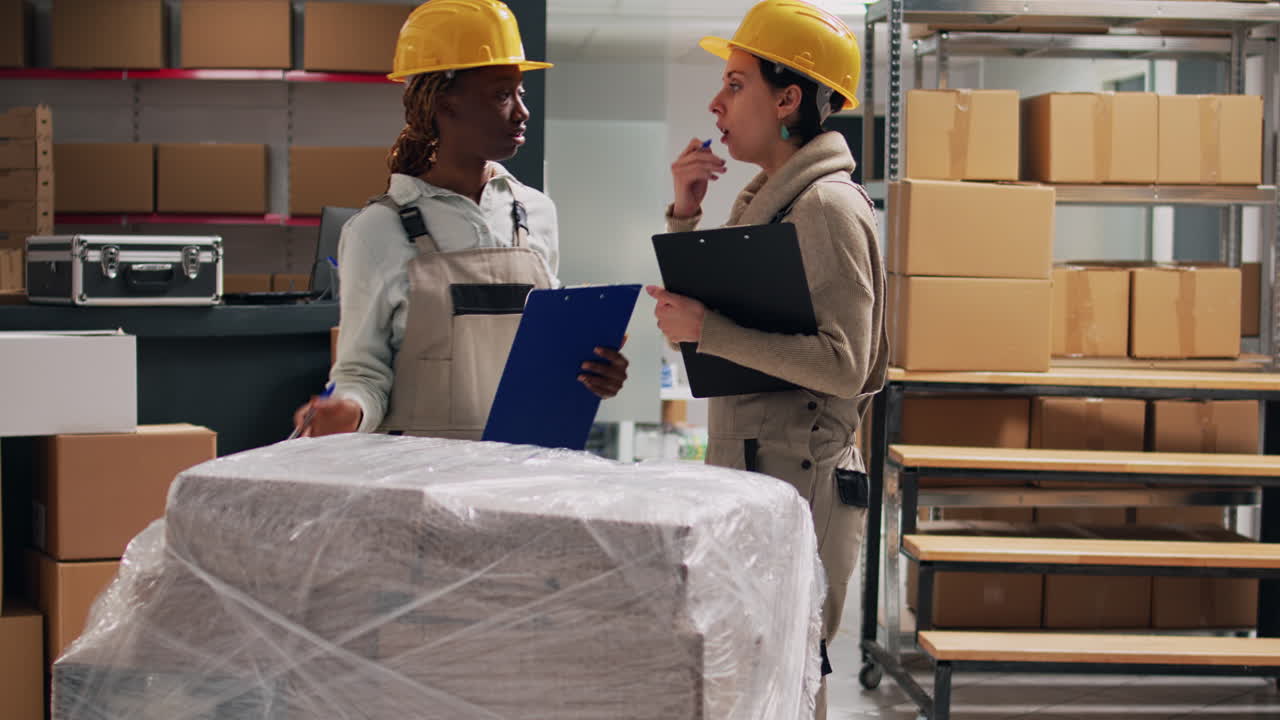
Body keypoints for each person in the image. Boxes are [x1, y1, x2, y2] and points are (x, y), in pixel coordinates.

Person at [647, 1, 888, 715]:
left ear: (788, 100)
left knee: (789, 676)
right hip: (760, 473)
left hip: (800, 482)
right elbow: (701, 333)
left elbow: (845, 364)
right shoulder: (769, 204)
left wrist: (710, 329)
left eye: (735, 84)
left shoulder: (826, 207)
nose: (716, 104)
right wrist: (685, 213)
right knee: (752, 678)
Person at [294, 0, 628, 438]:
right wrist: (349, 411)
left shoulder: (536, 213)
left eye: (521, 93)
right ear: (444, 104)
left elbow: (539, 361)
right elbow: (362, 373)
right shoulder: (376, 231)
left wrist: (592, 372)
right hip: (419, 472)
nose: (522, 112)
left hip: (523, 464)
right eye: (502, 95)